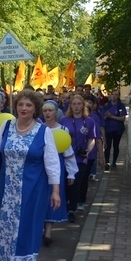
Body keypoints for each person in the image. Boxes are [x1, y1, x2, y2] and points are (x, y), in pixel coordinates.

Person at [0, 90, 61, 261]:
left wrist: (55, 191)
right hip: (7, 189)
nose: (23, 108)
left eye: (28, 105)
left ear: (35, 108)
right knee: (7, 229)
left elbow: (52, 163)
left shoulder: (44, 132)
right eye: (20, 105)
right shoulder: (7, 127)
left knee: (27, 228)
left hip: (33, 190)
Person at [41, 101, 77, 243]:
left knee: (53, 196)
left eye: (50, 110)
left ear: (56, 112)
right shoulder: (38, 128)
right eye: (45, 111)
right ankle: (41, 228)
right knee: (41, 196)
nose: (48, 113)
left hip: (57, 167)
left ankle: (48, 233)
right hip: (40, 167)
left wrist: (71, 172)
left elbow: (68, 152)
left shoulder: (62, 129)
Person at [60, 94, 97, 219]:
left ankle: (72, 210)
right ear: (70, 106)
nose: (76, 107)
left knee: (76, 183)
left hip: (81, 158)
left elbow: (92, 139)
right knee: (66, 182)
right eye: (74, 104)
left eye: (79, 104)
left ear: (83, 105)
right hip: (66, 157)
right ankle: (64, 205)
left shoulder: (89, 121)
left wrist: (88, 150)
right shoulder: (64, 120)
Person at [101, 90, 126, 171]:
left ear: (118, 96)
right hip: (108, 129)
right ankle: (107, 162)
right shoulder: (106, 106)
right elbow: (103, 118)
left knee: (116, 146)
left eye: (116, 95)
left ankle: (114, 162)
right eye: (113, 94)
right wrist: (106, 117)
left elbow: (123, 118)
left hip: (118, 129)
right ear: (110, 95)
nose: (114, 96)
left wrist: (111, 116)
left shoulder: (121, 106)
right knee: (107, 146)